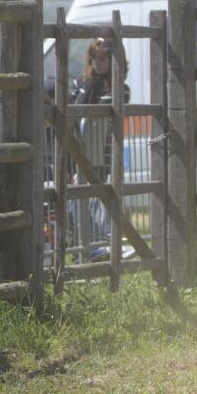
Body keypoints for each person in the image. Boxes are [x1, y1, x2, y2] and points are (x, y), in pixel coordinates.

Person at [69, 38, 131, 261]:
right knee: (75, 201)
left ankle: (95, 247)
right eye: (94, 58)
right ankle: (87, 249)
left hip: (101, 156)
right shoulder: (81, 83)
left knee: (90, 202)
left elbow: (97, 111)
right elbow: (72, 109)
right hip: (76, 152)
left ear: (115, 61)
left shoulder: (120, 89)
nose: (97, 63)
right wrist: (88, 86)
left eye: (103, 58)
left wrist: (88, 88)